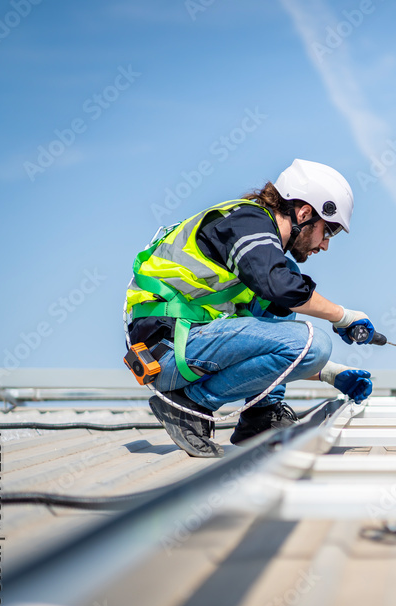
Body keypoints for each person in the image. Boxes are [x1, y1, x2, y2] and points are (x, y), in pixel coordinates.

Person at [124, 159, 377, 458]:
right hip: (170, 348)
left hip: (185, 344)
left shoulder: (255, 244)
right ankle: (192, 405)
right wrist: (343, 317)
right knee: (313, 339)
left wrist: (329, 373)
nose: (324, 246)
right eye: (328, 231)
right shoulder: (248, 223)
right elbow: (280, 287)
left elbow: (261, 351)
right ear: (305, 212)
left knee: (281, 305)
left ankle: (260, 417)